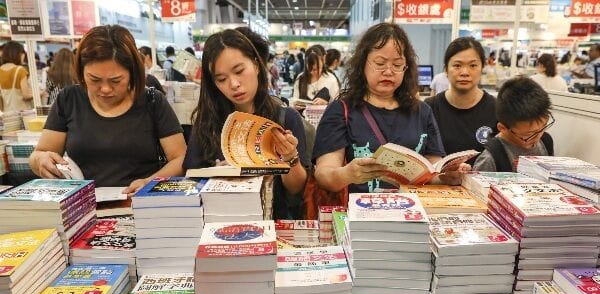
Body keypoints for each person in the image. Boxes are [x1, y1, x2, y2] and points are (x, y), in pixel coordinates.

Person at [29, 24, 186, 195]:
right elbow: (40, 153)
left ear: (132, 73)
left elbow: (180, 158)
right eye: (94, 80)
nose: (105, 89)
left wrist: (150, 182)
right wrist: (40, 160)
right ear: (81, 71)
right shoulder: (69, 99)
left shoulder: (153, 101)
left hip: (139, 203)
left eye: (116, 80)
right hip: (80, 205)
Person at [313, 23, 467, 194]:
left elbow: (433, 167)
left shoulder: (422, 111)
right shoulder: (341, 110)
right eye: (380, 63)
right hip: (360, 214)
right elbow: (324, 174)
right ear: (362, 64)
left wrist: (446, 175)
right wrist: (347, 174)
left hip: (412, 212)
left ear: (406, 68)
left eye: (397, 64)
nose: (388, 71)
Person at [183, 29, 308, 219]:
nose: (234, 84)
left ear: (256, 65)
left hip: (273, 224)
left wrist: (290, 157)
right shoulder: (207, 122)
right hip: (218, 224)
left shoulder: (285, 118)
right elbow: (191, 179)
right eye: (221, 79)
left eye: (239, 71)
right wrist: (220, 176)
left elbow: (296, 189)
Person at [425, 37, 497, 155]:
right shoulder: (429, 108)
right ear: (446, 70)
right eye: (457, 66)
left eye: (473, 66)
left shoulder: (496, 109)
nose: (465, 72)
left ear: (482, 68)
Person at [473, 77, 554, 172]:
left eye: (543, 127)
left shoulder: (545, 142)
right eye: (528, 135)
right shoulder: (490, 159)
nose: (538, 137)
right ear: (502, 128)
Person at [0, 41, 33, 112]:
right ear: (17, 54)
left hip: (7, 113)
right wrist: (39, 94)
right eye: (22, 53)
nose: (23, 56)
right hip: (22, 112)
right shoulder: (20, 70)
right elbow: (26, 95)